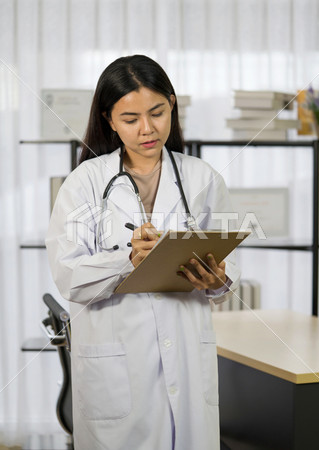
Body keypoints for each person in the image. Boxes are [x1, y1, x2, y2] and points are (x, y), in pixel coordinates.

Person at [46, 54, 240, 450]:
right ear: (109, 120)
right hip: (118, 374)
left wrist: (218, 280)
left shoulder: (202, 178)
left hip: (186, 361)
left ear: (172, 104)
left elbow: (225, 273)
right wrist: (127, 260)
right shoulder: (84, 183)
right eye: (131, 119)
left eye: (157, 112)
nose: (147, 129)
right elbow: (69, 276)